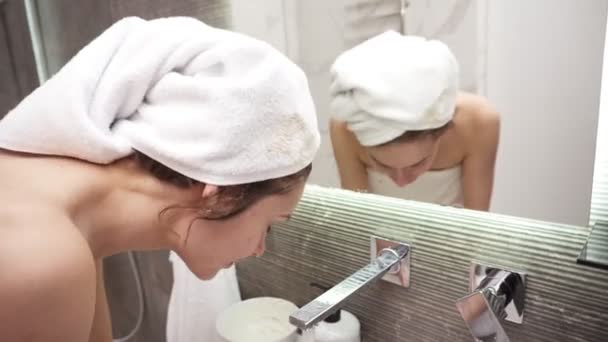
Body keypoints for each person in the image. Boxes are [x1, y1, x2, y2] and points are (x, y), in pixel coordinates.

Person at [0, 17, 320, 342]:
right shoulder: (41, 257)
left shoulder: (77, 228)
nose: (260, 249)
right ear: (221, 193)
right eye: (270, 224)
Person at [329, 31, 499, 210]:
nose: (401, 182)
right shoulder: (345, 128)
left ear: (443, 130)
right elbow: (358, 221)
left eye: (418, 163)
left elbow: (476, 225)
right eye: (382, 164)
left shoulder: (479, 123)